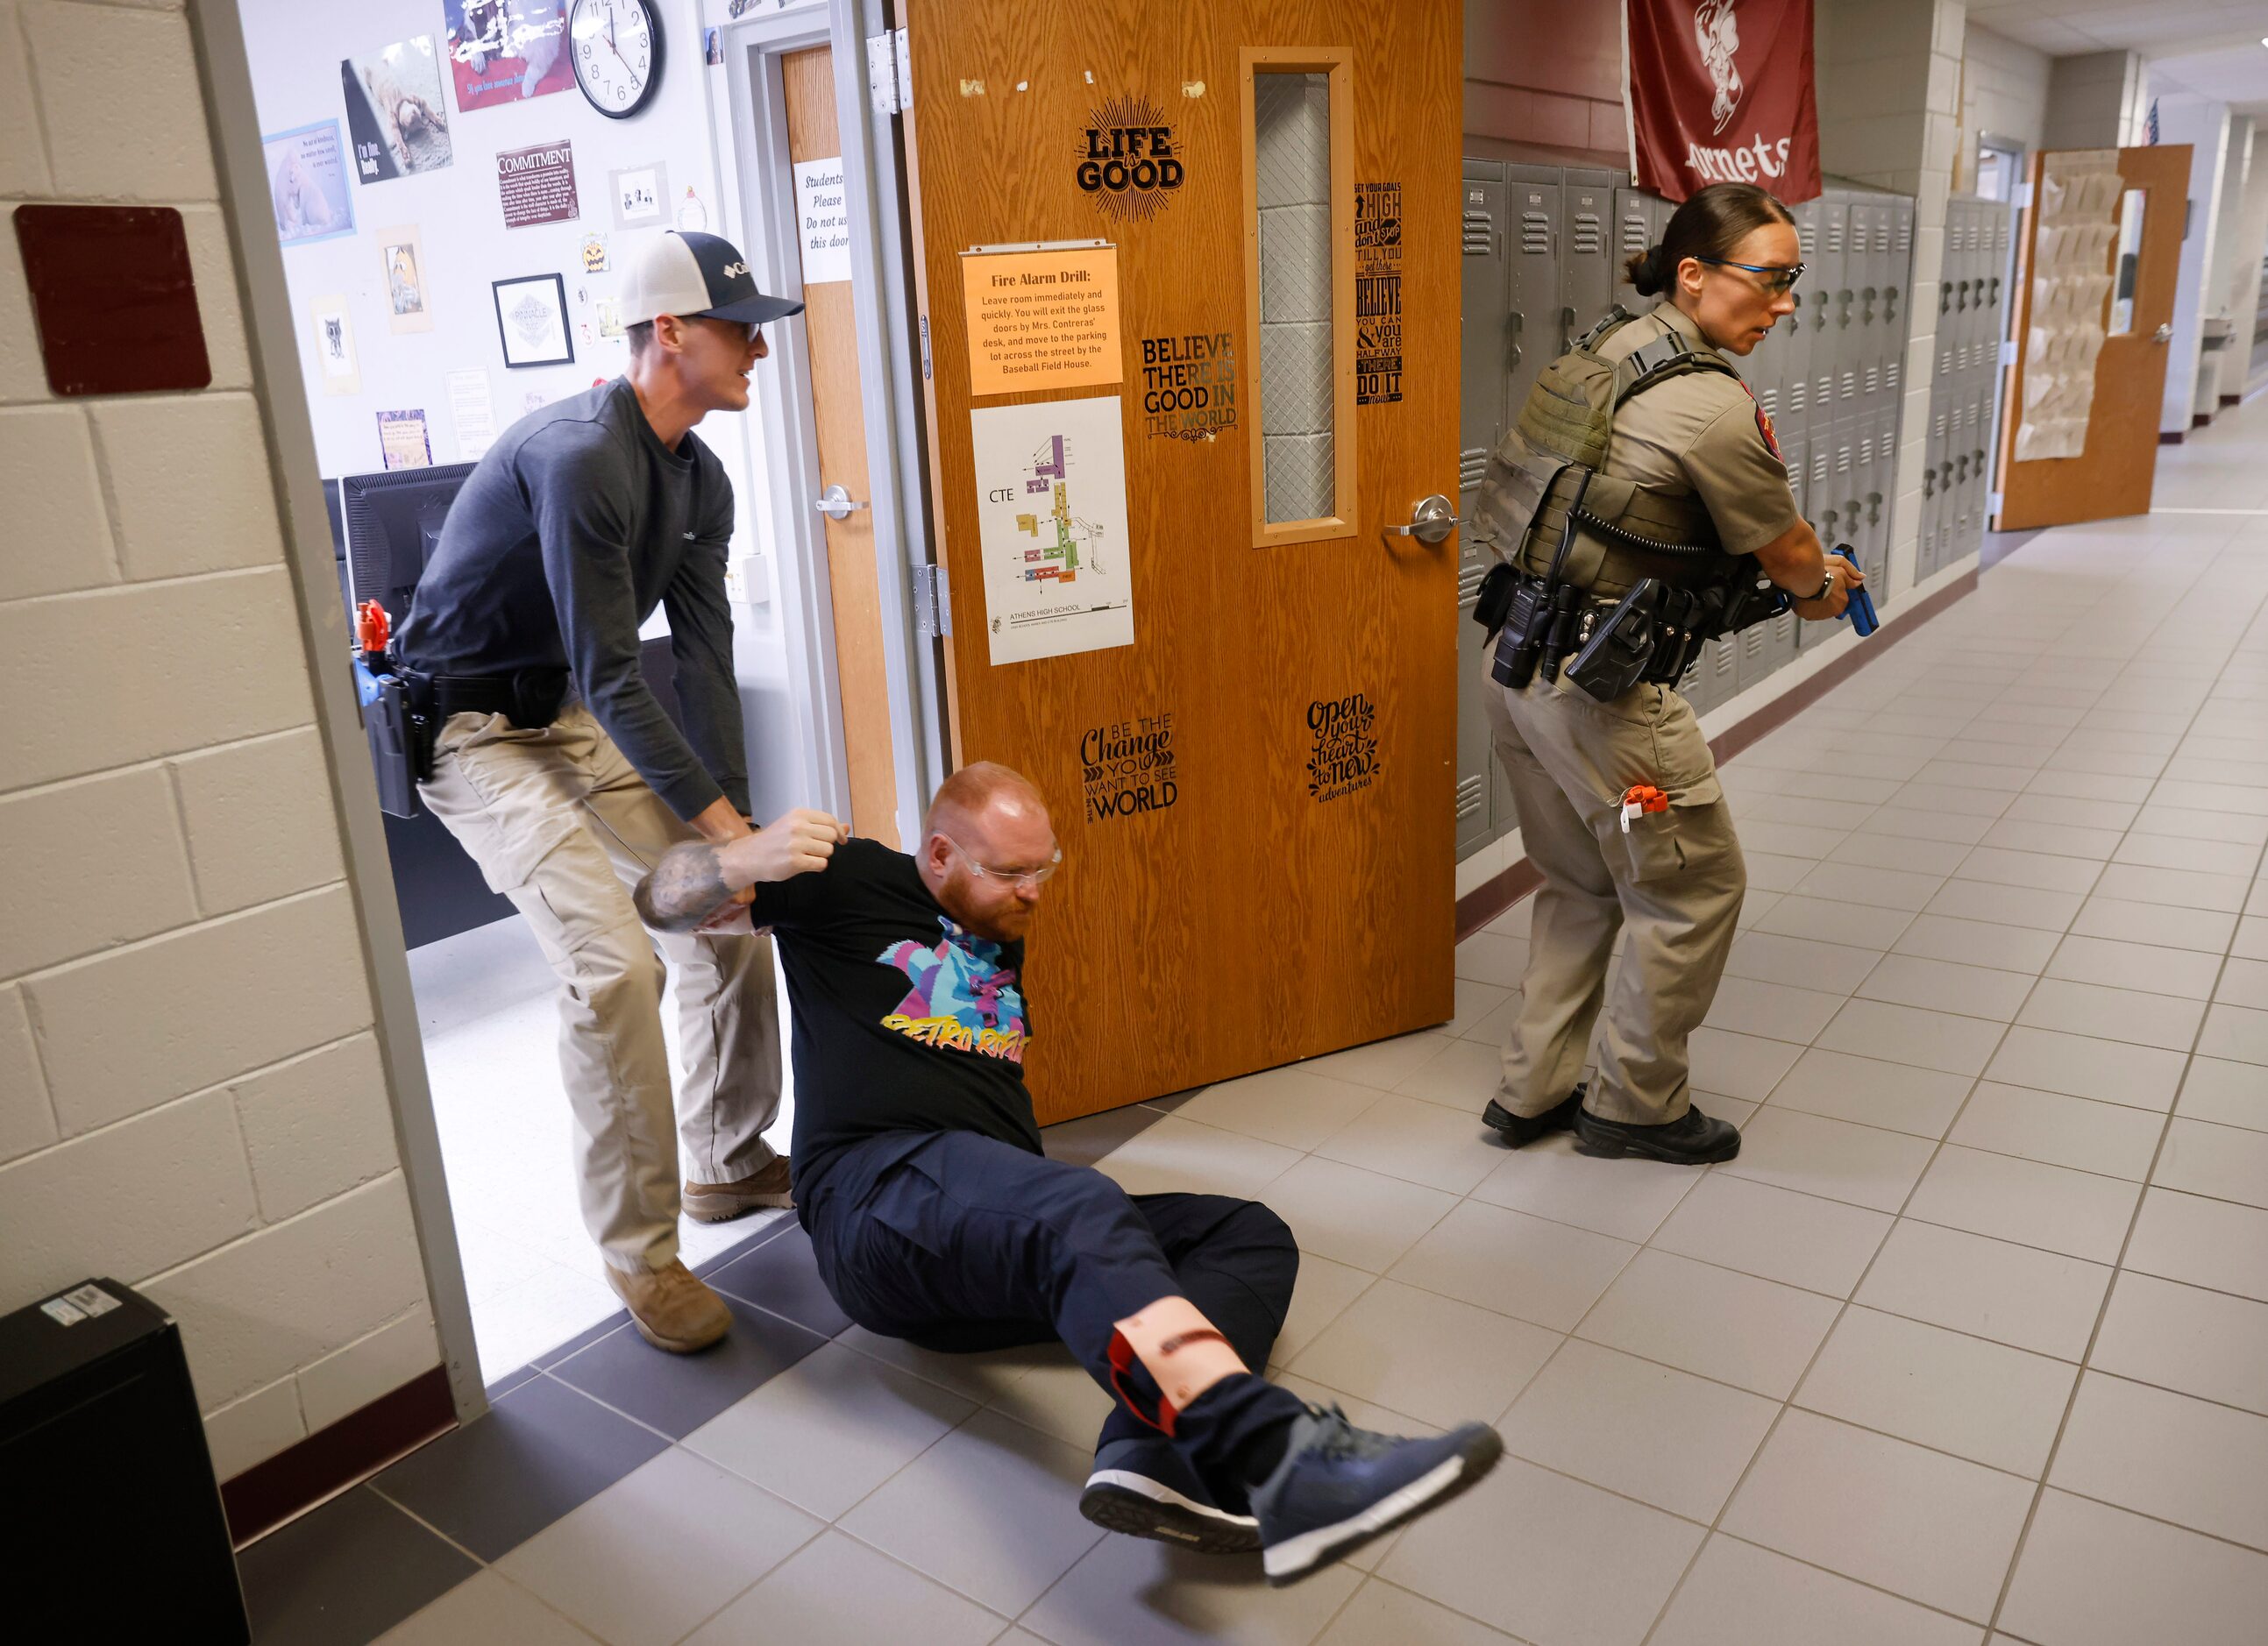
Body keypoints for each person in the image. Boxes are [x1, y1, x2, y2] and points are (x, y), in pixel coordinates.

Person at [631, 764, 1504, 1586]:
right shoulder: (849, 880)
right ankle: (1275, 1460)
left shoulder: (994, 924)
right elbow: (659, 901)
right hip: (876, 1201)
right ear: (938, 855)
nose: (1035, 891)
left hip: (987, 1232)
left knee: (1244, 1230)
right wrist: (741, 856)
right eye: (1011, 871)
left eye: (1044, 867)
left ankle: (1152, 1455)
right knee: (1075, 1206)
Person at [395, 231, 806, 1353]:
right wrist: (727, 832)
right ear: (669, 332)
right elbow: (619, 667)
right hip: (476, 735)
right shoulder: (579, 454)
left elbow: (704, 660)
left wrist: (733, 829)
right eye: (740, 328)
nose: (758, 350)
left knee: (725, 921)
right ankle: (642, 1254)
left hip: (566, 717)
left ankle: (727, 1160)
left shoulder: (698, 476)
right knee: (612, 965)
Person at [1475, 181, 1864, 1167]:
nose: (1782, 305)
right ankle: (1635, 1106)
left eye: (1793, 285)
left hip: (1515, 662)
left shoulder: (1606, 350)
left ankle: (1534, 1090)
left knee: (1576, 882)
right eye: (1768, 281)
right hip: (1601, 697)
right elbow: (1790, 559)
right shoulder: (1705, 406)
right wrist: (1827, 586)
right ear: (1693, 274)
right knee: (1691, 889)